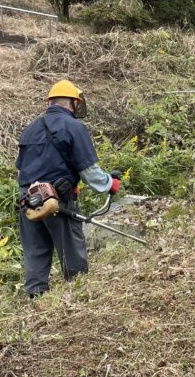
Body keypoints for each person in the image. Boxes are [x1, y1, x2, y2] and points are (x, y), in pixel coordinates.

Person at [16, 80, 121, 297]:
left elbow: (21, 168)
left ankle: (36, 297)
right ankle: (79, 293)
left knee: (35, 249)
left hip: (28, 199)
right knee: (72, 251)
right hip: (58, 199)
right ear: (73, 102)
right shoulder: (74, 127)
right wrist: (110, 184)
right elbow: (89, 171)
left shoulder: (30, 129)